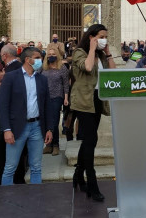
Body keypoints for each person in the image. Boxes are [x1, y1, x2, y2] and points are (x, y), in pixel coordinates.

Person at [71, 24, 117, 201]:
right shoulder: (79, 53)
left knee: (91, 139)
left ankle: (78, 174)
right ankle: (92, 183)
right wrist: (91, 48)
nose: (104, 39)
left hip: (97, 99)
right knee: (90, 140)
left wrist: (107, 53)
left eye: (106, 36)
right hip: (83, 101)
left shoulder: (100, 55)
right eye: (101, 36)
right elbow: (88, 67)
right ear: (91, 37)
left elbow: (113, 73)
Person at [0, 47, 54, 185]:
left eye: (40, 57)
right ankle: (6, 201)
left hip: (37, 127)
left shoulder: (41, 79)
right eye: (36, 57)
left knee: (36, 167)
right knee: (10, 167)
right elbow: (3, 105)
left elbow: (47, 105)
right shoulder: (11, 77)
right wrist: (6, 129)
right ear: (27, 60)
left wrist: (49, 128)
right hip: (17, 127)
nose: (40, 60)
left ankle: (35, 200)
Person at [41, 46, 70, 156]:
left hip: (57, 96)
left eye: (53, 54)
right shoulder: (43, 68)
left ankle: (55, 145)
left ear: (57, 55)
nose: (51, 56)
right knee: (46, 121)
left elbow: (66, 84)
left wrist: (66, 98)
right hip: (45, 97)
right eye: (49, 54)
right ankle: (48, 144)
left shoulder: (62, 67)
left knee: (54, 121)